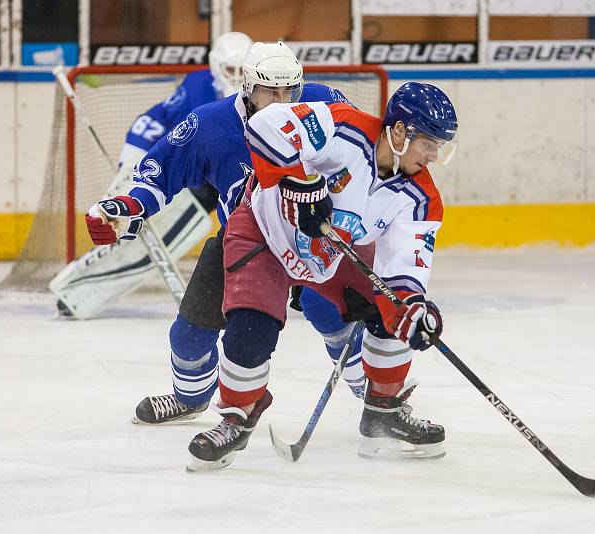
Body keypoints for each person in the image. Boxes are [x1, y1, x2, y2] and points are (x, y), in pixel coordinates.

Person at [83, 42, 367, 426]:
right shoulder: (210, 123)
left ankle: (377, 395)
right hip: (244, 242)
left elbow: (366, 153)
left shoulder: (326, 105)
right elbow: (161, 171)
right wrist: (130, 206)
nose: (282, 102)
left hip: (313, 235)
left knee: (335, 315)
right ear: (247, 87)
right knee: (189, 336)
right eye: (270, 91)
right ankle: (192, 397)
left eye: (289, 91)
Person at [184, 81, 458, 471]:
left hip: (333, 250)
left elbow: (403, 266)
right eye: (429, 142)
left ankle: (384, 408)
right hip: (265, 229)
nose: (434, 155)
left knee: (395, 308)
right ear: (399, 131)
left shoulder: (420, 198)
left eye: (441, 146)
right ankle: (237, 416)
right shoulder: (341, 127)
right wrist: (298, 181)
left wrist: (412, 307)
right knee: (251, 325)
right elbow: (265, 125)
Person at [55, 32, 255, 319]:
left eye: (242, 71)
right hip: (176, 167)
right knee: (136, 229)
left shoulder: (260, 94)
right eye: (229, 70)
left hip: (220, 174)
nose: (235, 78)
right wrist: (136, 165)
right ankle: (77, 288)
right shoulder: (199, 89)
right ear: (214, 66)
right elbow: (165, 134)